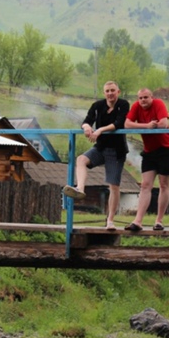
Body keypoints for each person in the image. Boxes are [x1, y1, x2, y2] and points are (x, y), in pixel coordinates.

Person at [63, 81, 130, 231]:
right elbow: (87, 120)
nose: (110, 93)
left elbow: (119, 123)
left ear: (118, 92)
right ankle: (80, 188)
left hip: (116, 150)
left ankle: (110, 220)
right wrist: (86, 127)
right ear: (104, 93)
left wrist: (100, 130)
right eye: (107, 91)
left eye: (112, 90)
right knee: (81, 159)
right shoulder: (97, 106)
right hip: (100, 148)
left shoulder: (123, 104)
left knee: (114, 185)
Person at [123, 87, 169, 232]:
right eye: (140, 98)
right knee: (145, 185)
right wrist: (146, 126)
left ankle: (159, 221)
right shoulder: (136, 106)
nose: (143, 100)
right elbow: (127, 124)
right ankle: (138, 221)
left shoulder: (158, 104)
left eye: (146, 97)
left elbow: (164, 123)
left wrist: (148, 126)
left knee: (164, 184)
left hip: (166, 148)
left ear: (151, 97)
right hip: (149, 151)